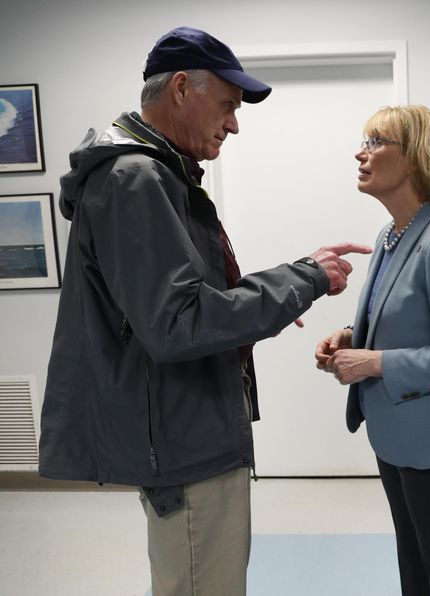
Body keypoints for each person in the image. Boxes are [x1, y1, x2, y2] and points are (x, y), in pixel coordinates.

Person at [38, 27, 371, 596]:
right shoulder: (136, 178)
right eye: (227, 106)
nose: (234, 123)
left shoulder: (155, 173)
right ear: (183, 88)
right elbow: (178, 323)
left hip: (185, 425)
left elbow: (182, 299)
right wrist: (304, 280)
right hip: (184, 438)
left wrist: (271, 295)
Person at [315, 105, 430, 596]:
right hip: (398, 429)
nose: (360, 152)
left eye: (375, 141)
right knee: (414, 558)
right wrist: (353, 336)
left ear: (415, 158)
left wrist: (373, 362)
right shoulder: (393, 234)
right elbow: (407, 316)